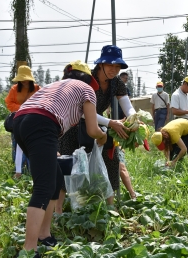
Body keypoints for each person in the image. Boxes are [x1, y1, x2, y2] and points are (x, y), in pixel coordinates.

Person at [12, 61, 107, 255]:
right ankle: (30, 249)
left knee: (55, 177)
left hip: (20, 121)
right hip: (42, 124)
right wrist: (103, 136)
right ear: (89, 80)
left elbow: (43, 112)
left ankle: (44, 234)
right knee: (44, 186)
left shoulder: (54, 86)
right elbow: (92, 129)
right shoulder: (87, 89)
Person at [56, 45, 136, 214]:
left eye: (117, 67)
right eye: (110, 66)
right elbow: (82, 111)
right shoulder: (88, 79)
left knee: (111, 160)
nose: (114, 70)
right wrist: (110, 122)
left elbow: (127, 107)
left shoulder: (116, 83)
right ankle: (58, 213)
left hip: (98, 125)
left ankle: (109, 208)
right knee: (68, 164)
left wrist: (134, 119)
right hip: (75, 124)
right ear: (101, 65)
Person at [5, 65, 40, 179]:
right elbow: (9, 103)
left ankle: (31, 169)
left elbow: (42, 102)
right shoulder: (14, 89)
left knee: (32, 144)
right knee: (17, 144)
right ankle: (19, 169)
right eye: (22, 79)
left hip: (33, 120)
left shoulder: (37, 88)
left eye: (26, 79)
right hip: (18, 120)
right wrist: (23, 107)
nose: (24, 81)